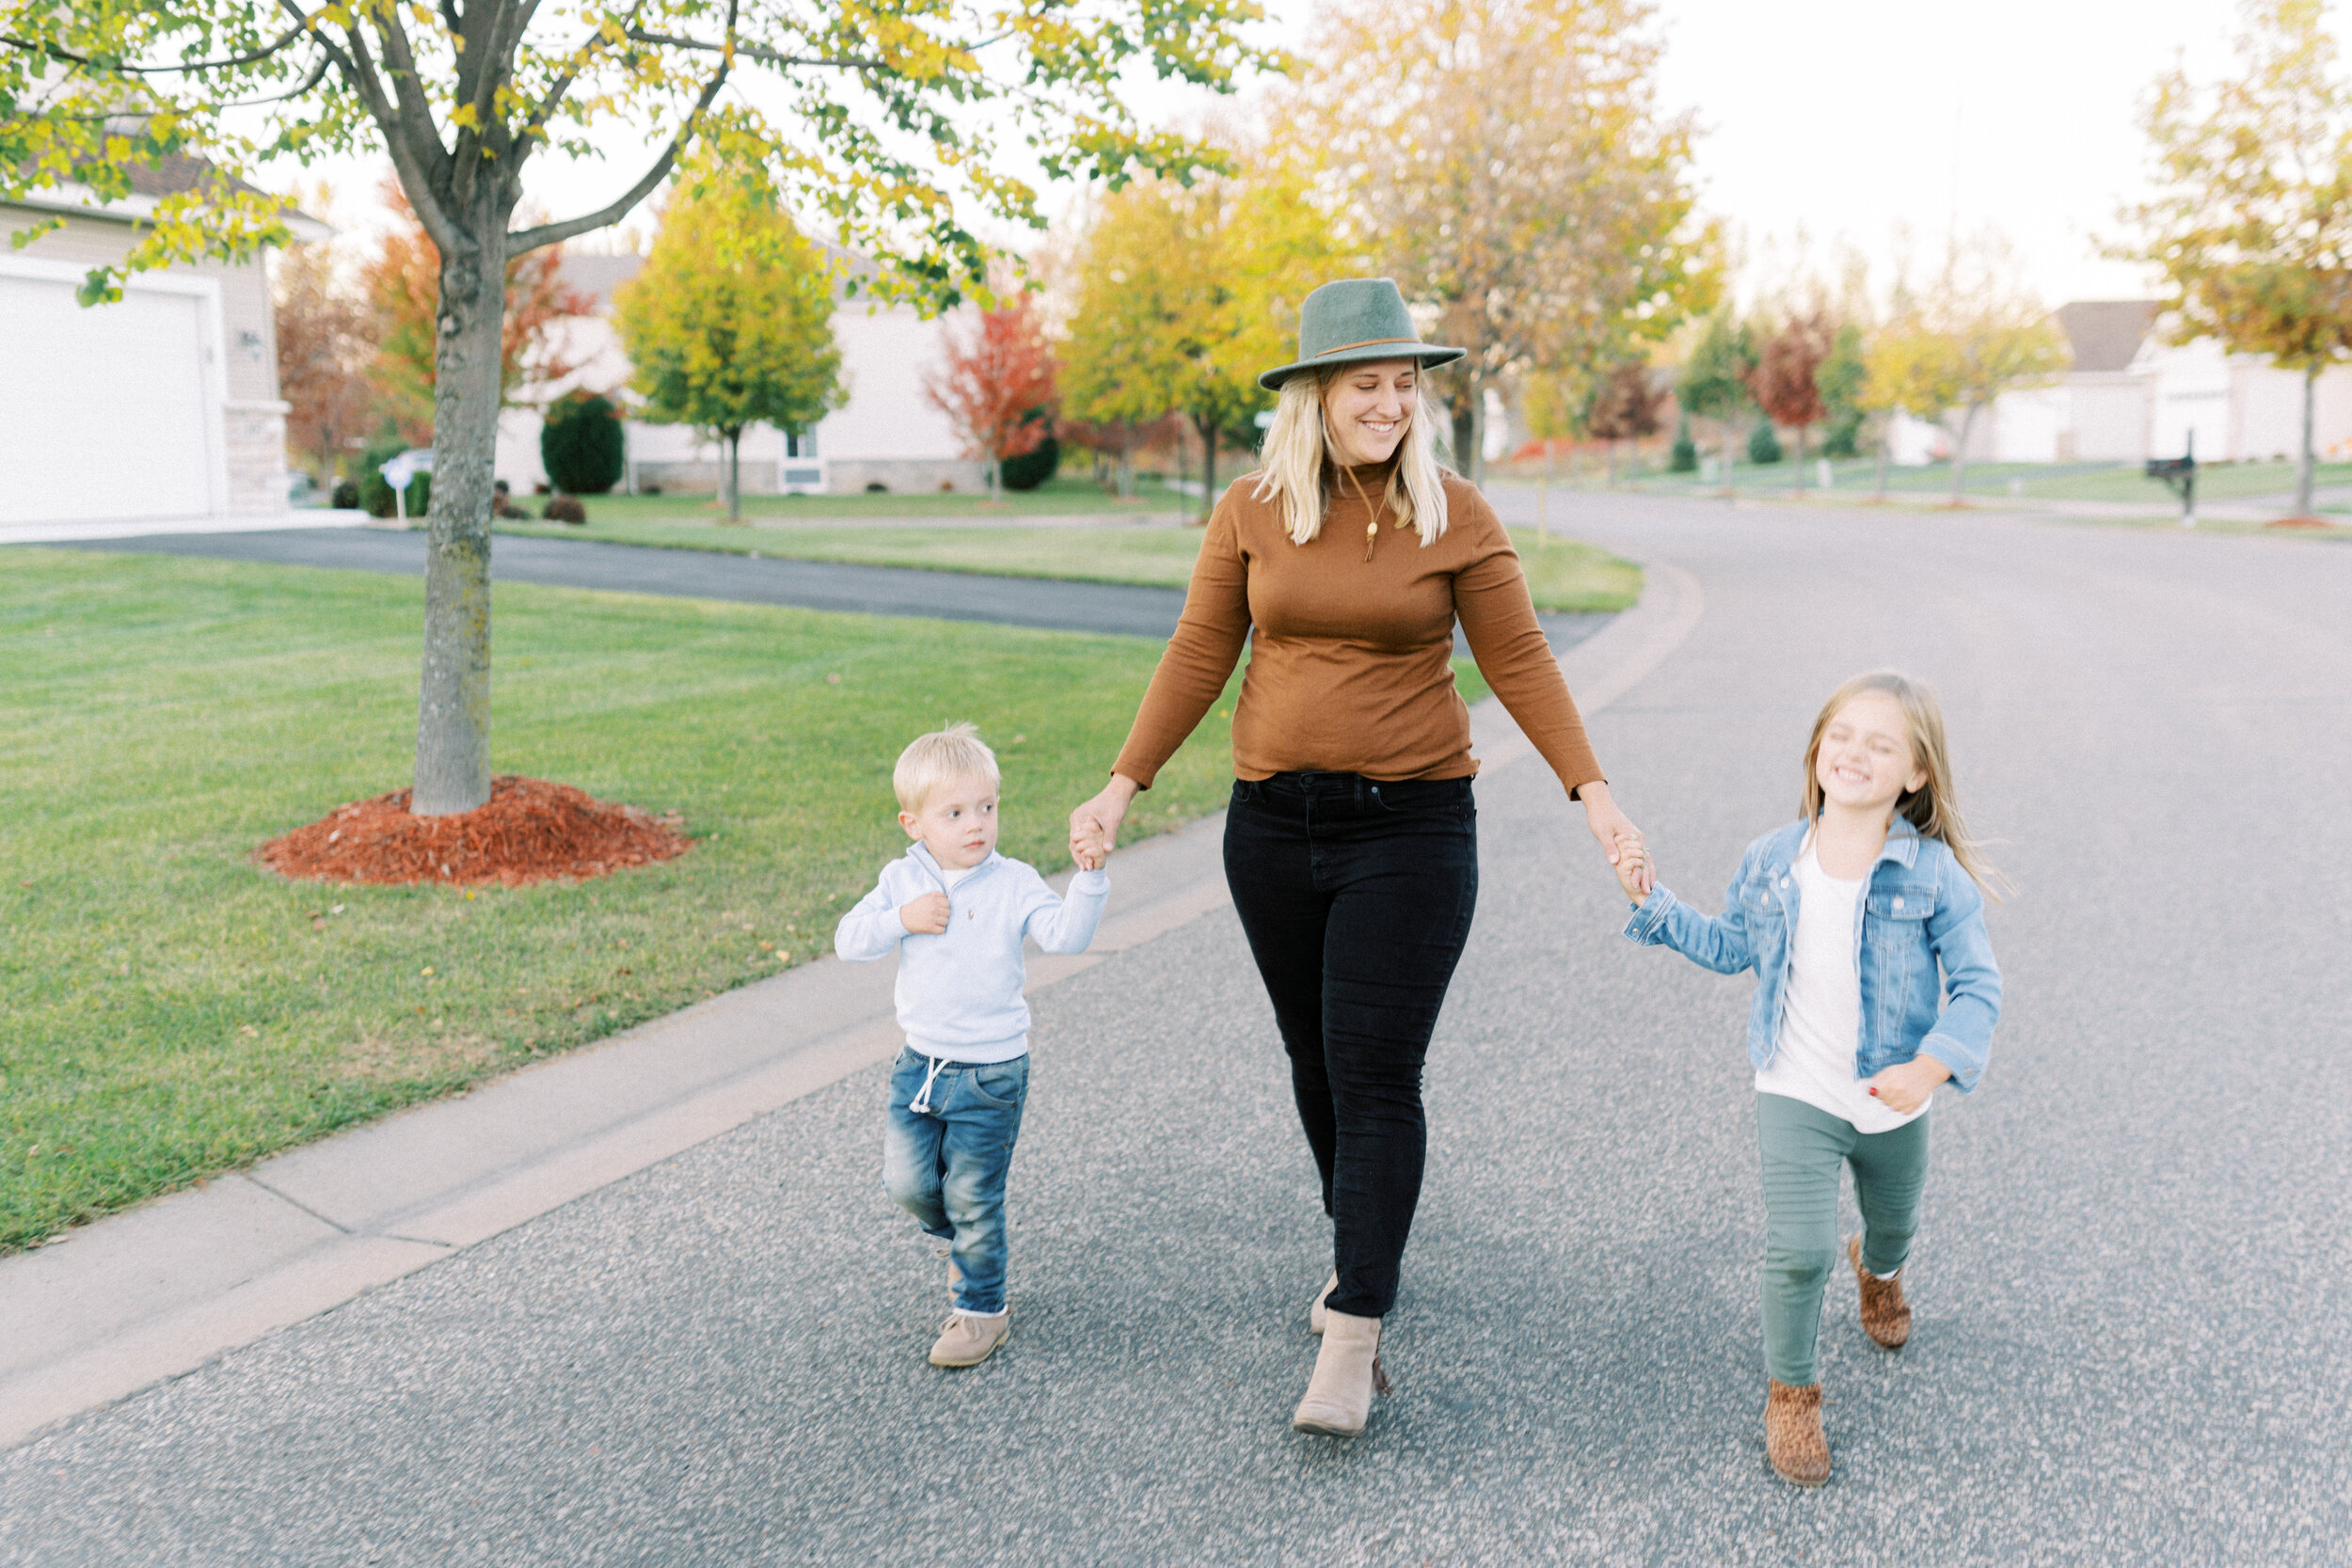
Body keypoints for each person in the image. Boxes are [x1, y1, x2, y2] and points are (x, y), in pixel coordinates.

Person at [1068, 277, 1646, 1437]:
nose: (1390, 404)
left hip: (1413, 827)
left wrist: (1593, 793)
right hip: (1271, 827)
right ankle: (1362, 1246)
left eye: (1404, 385)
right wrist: (1122, 781)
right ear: (1316, 396)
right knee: (1316, 1061)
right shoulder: (1248, 509)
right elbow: (1197, 652)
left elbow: (1520, 659)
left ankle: (1355, 1325)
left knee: (1376, 1069)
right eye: (1366, 384)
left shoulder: (1458, 515)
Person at [1614, 671, 2002, 1486]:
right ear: (1817, 749)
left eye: (1882, 742)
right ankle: (1792, 1393)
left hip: (1893, 1099)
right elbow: (1730, 946)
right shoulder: (1771, 859)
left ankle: (1882, 1270)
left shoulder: (1932, 874)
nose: (1856, 752)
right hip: (1794, 1087)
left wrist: (1931, 1064)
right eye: (1843, 735)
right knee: (1799, 1252)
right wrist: (1656, 901)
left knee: (1894, 1222)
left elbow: (1977, 987)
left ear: (1916, 773)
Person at [836, 723, 1109, 1369]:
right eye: (955, 812)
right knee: (907, 1183)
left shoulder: (1013, 880)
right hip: (920, 1066)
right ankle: (954, 1238)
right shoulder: (902, 882)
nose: (976, 824)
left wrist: (1089, 879)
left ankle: (982, 1312)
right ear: (914, 823)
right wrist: (900, 919)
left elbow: (1065, 937)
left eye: (987, 807)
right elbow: (850, 939)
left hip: (992, 1072)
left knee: (974, 1197)